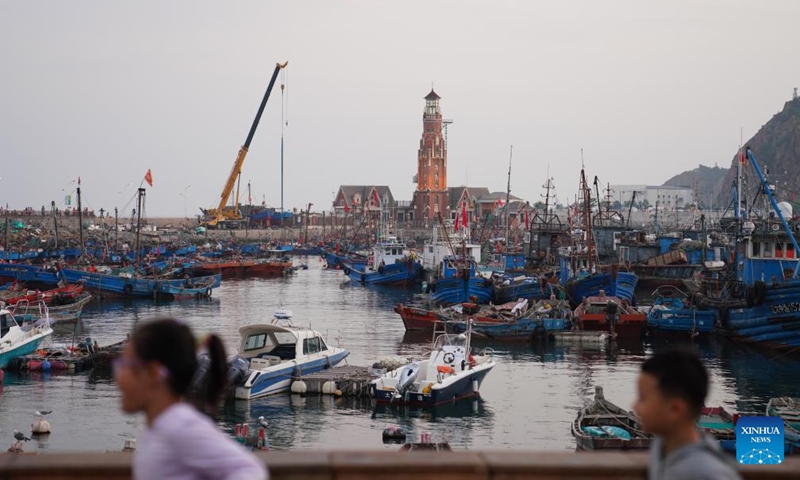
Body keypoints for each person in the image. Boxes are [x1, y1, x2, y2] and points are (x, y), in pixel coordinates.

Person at [114, 318, 268, 480]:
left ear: (153, 373)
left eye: (125, 366)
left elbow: (249, 470)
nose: (118, 376)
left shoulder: (180, 428)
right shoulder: (160, 428)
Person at [634, 349, 740, 480]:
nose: (635, 407)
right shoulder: (662, 446)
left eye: (643, 398)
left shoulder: (706, 473)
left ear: (676, 410)